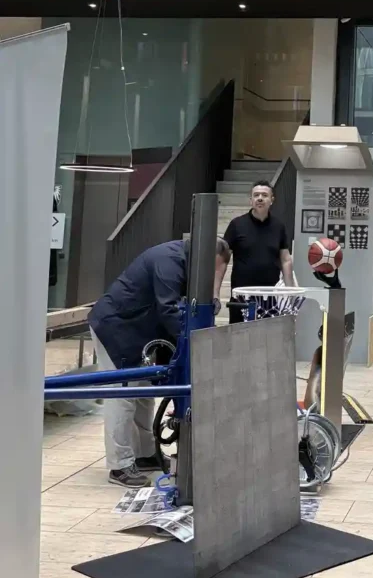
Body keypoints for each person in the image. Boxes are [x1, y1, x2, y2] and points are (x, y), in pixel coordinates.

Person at [89, 237, 231, 486]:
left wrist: (215, 289)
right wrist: (196, 343)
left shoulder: (186, 263)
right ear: (203, 256)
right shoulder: (170, 261)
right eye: (212, 270)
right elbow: (169, 309)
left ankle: (145, 454)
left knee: (144, 395)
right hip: (116, 329)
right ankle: (119, 465)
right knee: (122, 397)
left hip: (138, 331)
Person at [223, 181, 295, 321]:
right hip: (241, 296)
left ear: (272, 200)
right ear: (251, 200)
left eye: (264, 195)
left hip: (270, 297)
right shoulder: (236, 225)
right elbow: (222, 260)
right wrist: (215, 292)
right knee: (239, 333)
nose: (260, 198)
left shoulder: (278, 226)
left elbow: (285, 260)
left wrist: (291, 292)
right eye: (256, 195)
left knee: (267, 333)